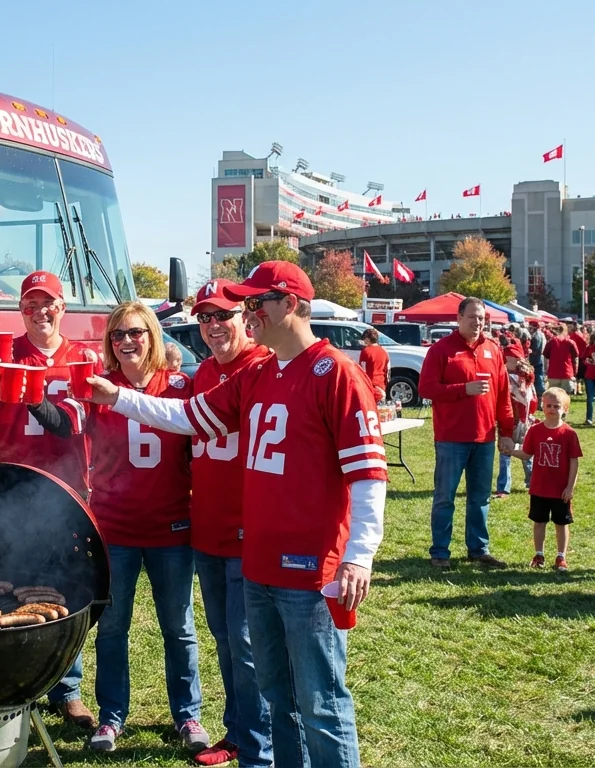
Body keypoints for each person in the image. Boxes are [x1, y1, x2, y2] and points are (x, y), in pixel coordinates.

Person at [79, 261, 386, 768]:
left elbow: (368, 474)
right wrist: (115, 396)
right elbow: (184, 417)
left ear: (290, 304)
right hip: (258, 563)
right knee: (277, 699)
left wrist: (359, 556)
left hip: (311, 569)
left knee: (321, 704)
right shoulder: (259, 373)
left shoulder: (337, 373)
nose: (247, 313)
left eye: (255, 303)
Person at [31, 302, 207, 755]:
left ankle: (188, 715)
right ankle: (111, 718)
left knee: (179, 627)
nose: (127, 341)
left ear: (152, 335)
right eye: (117, 335)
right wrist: (32, 397)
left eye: (135, 333)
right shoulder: (97, 389)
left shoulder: (181, 385)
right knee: (112, 628)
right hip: (115, 527)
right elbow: (63, 427)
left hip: (172, 526)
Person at [0, 270, 97, 729]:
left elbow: (73, 422)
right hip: (10, 488)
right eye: (30, 305)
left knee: (65, 590)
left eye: (48, 303)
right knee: (11, 587)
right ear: (21, 312)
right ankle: (18, 685)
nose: (40, 312)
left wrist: (26, 390)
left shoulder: (81, 358)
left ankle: (67, 689)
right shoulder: (7, 354)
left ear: (62, 308)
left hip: (64, 490)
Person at [182, 280, 273, 768]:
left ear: (247, 317)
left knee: (246, 641)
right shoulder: (201, 373)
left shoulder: (259, 368)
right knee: (225, 637)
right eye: (205, 317)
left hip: (247, 531)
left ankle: (257, 745)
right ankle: (239, 731)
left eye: (223, 315)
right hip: (207, 528)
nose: (214, 325)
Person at [420, 297, 515, 569]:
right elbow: (426, 389)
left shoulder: (493, 350)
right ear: (459, 318)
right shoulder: (442, 350)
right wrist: (464, 389)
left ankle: (478, 549)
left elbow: (503, 395)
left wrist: (506, 431)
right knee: (444, 497)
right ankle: (440, 552)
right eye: (472, 317)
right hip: (451, 438)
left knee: (480, 497)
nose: (478, 322)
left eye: (482, 318)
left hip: (484, 438)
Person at [508, 388, 581, 573]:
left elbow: (574, 462)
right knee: (539, 522)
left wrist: (570, 487)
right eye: (548, 405)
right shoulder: (535, 431)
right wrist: (510, 450)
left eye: (556, 406)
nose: (551, 409)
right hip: (539, 488)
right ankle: (539, 554)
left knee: (561, 523)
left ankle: (561, 556)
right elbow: (526, 454)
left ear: (565, 408)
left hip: (560, 490)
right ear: (542, 406)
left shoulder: (569, 434)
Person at [495, 358, 536, 499]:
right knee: (524, 452)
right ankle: (532, 482)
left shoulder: (510, 379)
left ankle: (504, 487)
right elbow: (534, 402)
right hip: (521, 420)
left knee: (508, 453)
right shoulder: (527, 379)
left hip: (512, 421)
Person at [544, 324, 579, 396]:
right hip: (567, 373)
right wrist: (575, 372)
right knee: (565, 397)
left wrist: (546, 371)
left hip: (553, 373)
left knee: (554, 397)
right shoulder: (570, 342)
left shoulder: (551, 342)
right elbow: (575, 358)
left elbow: (546, 356)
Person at [357, 328, 390, 401]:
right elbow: (387, 370)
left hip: (370, 385)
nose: (364, 341)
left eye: (364, 339)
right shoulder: (384, 351)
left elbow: (362, 370)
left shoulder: (365, 351)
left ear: (368, 339)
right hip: (381, 385)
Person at [528, 321, 547, 393]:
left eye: (531, 326)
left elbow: (536, 349)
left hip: (536, 359)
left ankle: (540, 395)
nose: (530, 328)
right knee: (539, 377)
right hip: (538, 358)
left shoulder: (537, 335)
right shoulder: (540, 334)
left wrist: (530, 351)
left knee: (538, 378)